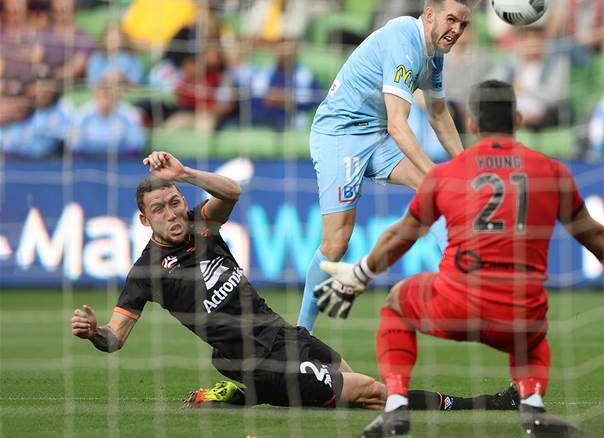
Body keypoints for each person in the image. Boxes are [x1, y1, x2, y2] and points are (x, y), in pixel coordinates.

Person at [315, 80, 604, 437]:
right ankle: (533, 405)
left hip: (454, 302)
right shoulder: (551, 171)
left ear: (472, 125)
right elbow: (594, 235)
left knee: (396, 304)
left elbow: (403, 234)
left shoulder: (447, 174)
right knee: (536, 330)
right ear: (519, 121)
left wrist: (360, 274)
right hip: (519, 315)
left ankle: (395, 405)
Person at [69, 151, 520, 412]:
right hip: (257, 360)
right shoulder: (145, 273)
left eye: (174, 202)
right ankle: (485, 405)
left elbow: (231, 192)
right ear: (143, 219)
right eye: (160, 209)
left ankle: (239, 396)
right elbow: (115, 338)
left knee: (352, 381)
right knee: (375, 391)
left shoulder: (202, 225)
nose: (172, 214)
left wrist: (185, 174)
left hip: (283, 334)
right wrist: (94, 334)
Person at [298, 0, 478, 332]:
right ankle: (301, 333)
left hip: (375, 134)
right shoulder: (402, 42)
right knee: (336, 244)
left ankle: (458, 283)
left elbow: (439, 113)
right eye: (451, 20)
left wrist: (465, 165)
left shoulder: (433, 52)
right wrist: (441, 173)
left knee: (433, 188)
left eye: (464, 24)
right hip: (341, 135)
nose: (456, 30)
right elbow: (399, 125)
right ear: (429, 15)